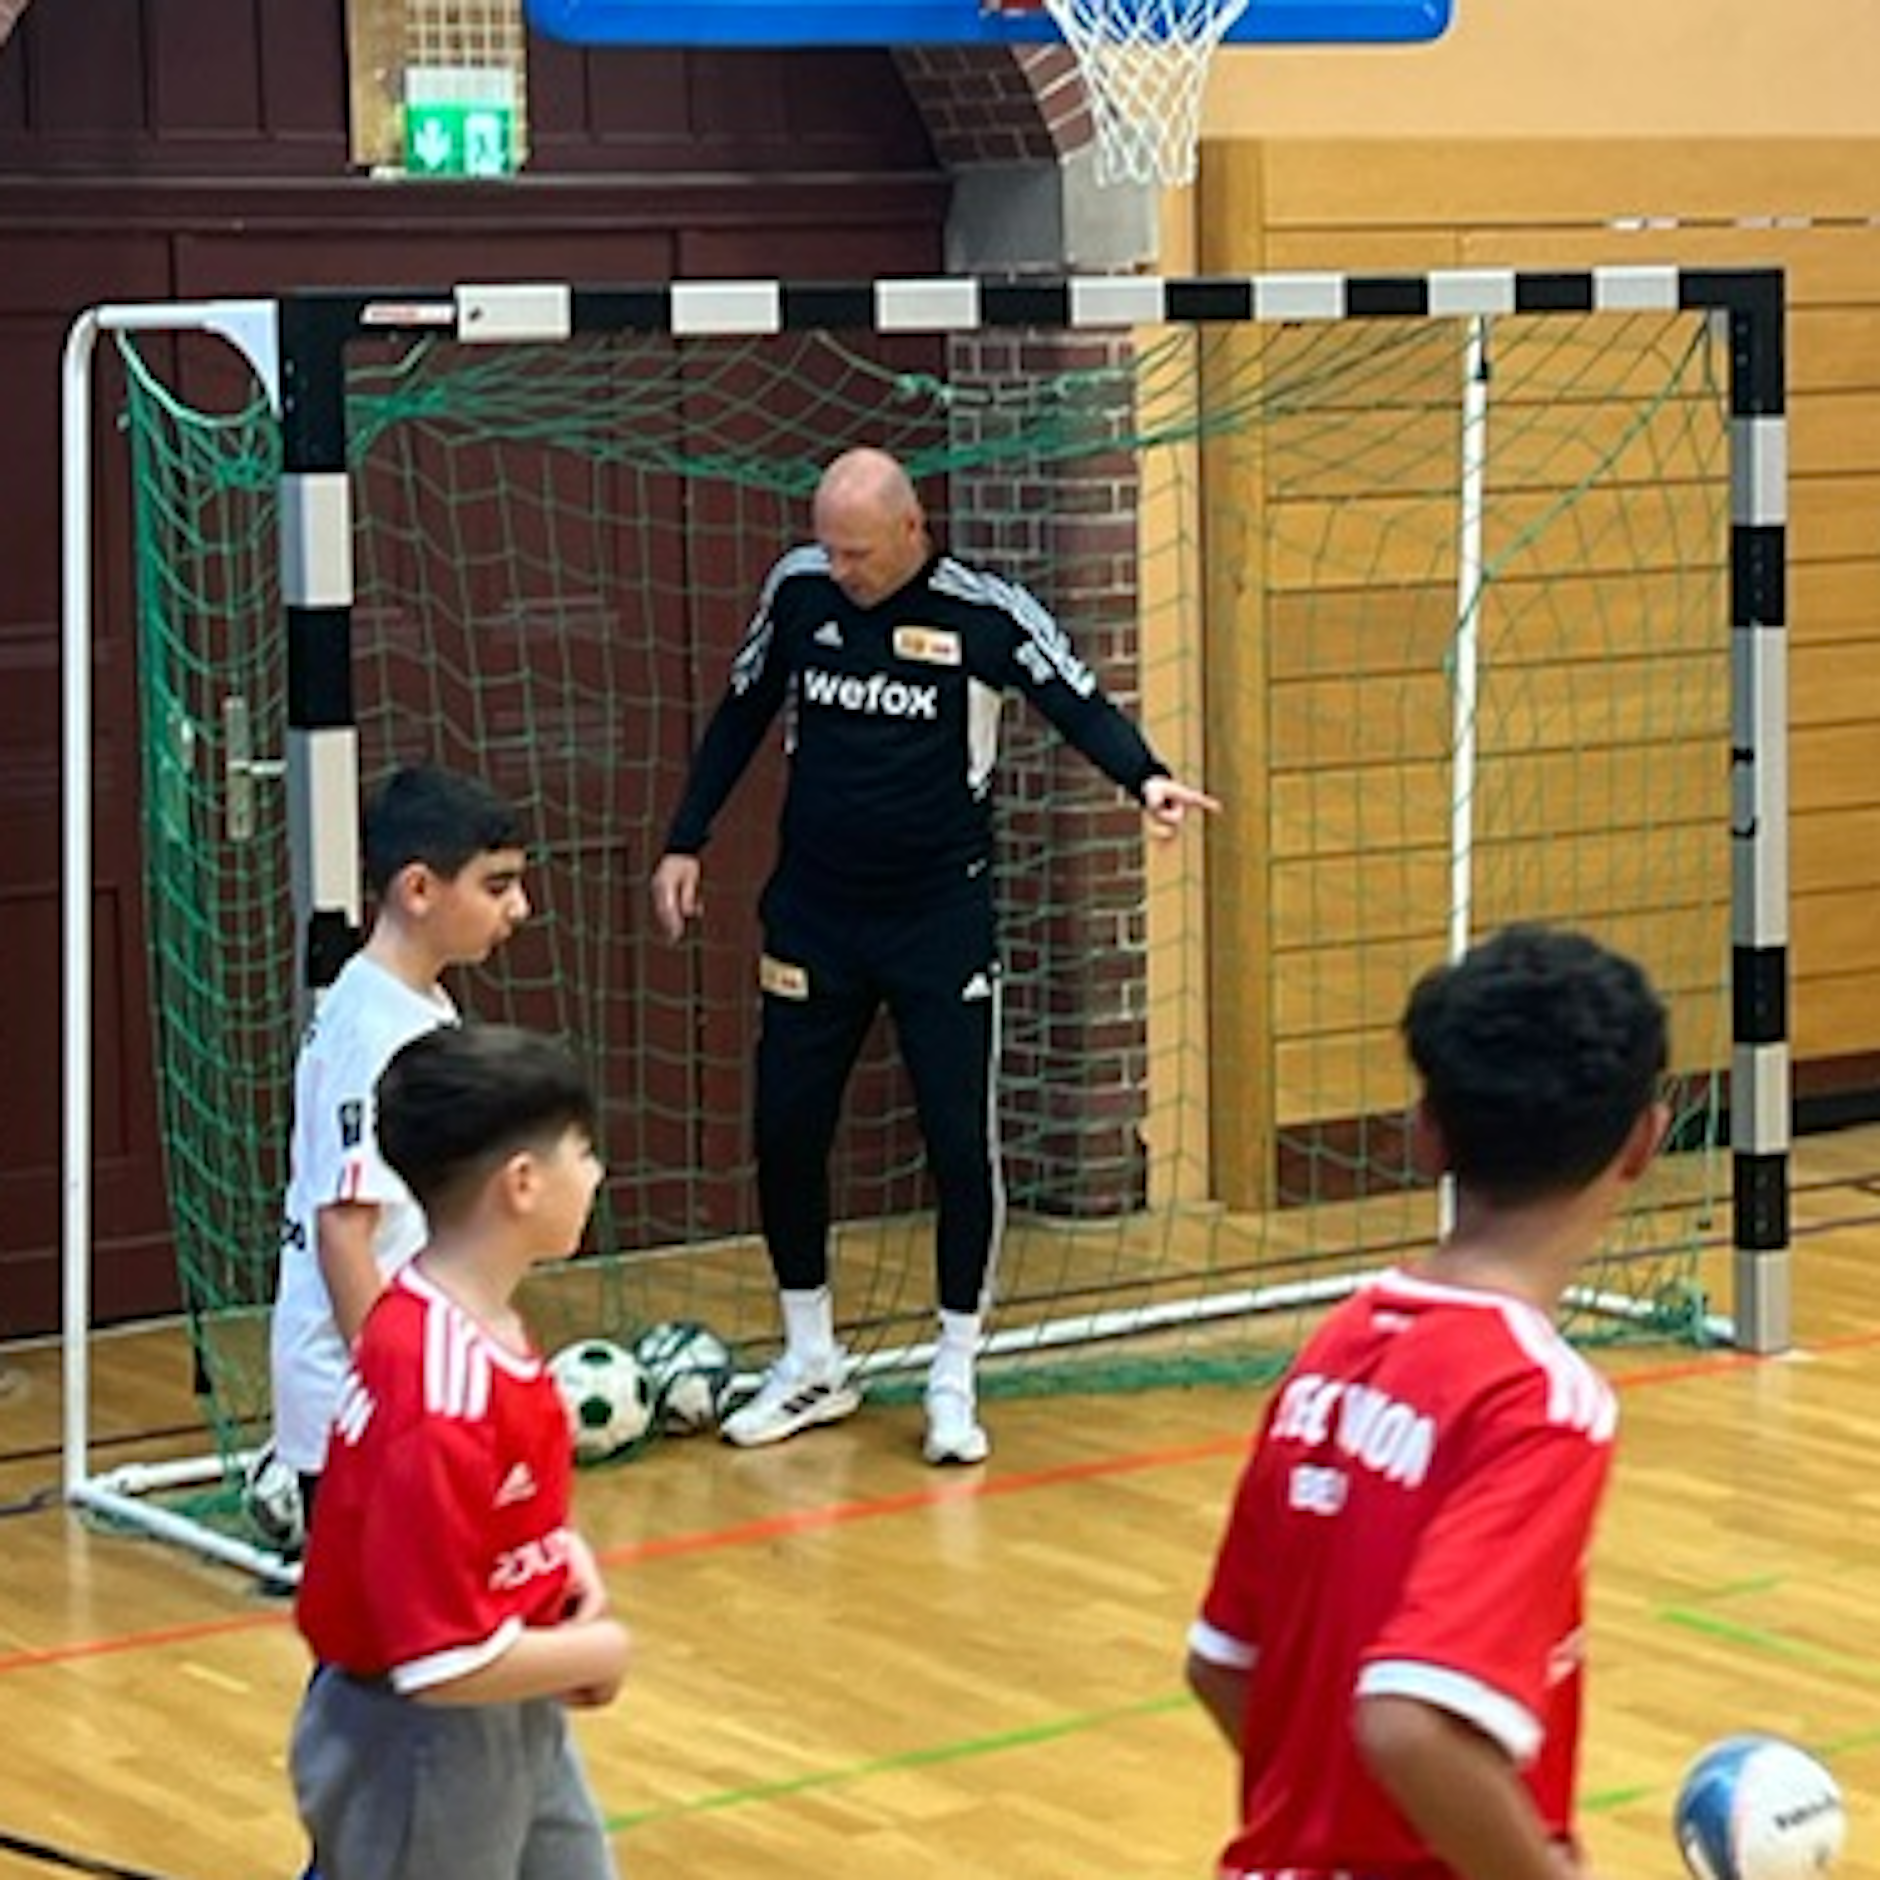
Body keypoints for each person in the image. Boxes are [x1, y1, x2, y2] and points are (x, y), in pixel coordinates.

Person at [650, 445, 1217, 1467]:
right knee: (784, 1130)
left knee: (959, 1144)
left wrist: (1148, 779)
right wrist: (684, 837)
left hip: (935, 923)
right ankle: (810, 1355)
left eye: (858, 552)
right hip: (813, 913)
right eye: (828, 546)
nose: (841, 568)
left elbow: (1074, 696)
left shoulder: (982, 614)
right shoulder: (797, 590)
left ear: (913, 531)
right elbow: (739, 711)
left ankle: (954, 1369)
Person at [1185, 923, 1671, 1880]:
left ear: (1426, 1131)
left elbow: (1222, 1663)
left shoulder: (1340, 1344)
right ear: (1644, 1142)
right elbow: (1411, 1725)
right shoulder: (1539, 1402)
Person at [292, 1023, 628, 1880]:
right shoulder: (438, 1390)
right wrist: (595, 1653)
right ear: (522, 1183)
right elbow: (437, 1661)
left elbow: (493, 1512)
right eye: (582, 1153)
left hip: (512, 1701)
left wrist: (562, 1561)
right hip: (421, 1744)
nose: (596, 1175)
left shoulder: (469, 1326)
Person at [270, 764, 530, 1527]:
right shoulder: (382, 1040)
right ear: (419, 890)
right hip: (358, 1400)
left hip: (371, 1389)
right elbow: (343, 1230)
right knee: (396, 1633)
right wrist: (400, 1396)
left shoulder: (401, 1003)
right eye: (496, 885)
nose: (520, 906)